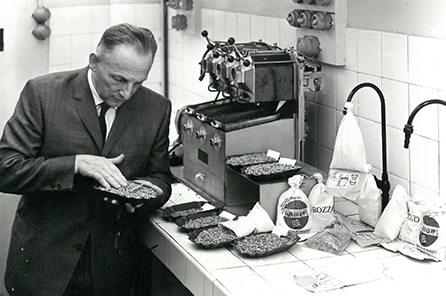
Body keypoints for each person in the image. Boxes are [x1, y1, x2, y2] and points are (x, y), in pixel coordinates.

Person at [0, 23, 172, 295]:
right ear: (94, 62)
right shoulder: (43, 94)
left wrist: (147, 193)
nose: (126, 93)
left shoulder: (157, 108)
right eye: (118, 79)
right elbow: (6, 169)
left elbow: (161, 176)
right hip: (45, 265)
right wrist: (75, 164)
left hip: (113, 269)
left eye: (138, 83)